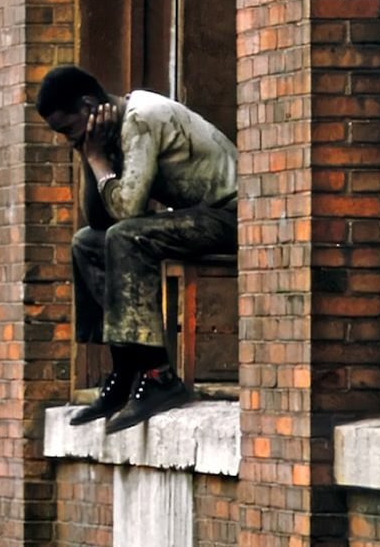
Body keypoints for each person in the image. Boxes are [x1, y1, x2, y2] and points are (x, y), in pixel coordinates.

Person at [36, 65, 238, 434]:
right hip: (199, 217)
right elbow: (98, 221)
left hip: (233, 216)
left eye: (68, 130)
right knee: (86, 244)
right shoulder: (111, 129)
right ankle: (127, 366)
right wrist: (88, 154)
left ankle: (158, 375)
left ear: (88, 104)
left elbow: (127, 212)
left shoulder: (139, 118)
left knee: (128, 237)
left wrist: (98, 160)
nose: (68, 139)